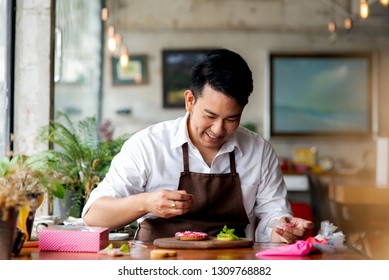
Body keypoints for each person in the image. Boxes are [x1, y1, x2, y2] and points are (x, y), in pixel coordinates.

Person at [82, 48, 313, 243]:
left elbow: (273, 217)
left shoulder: (259, 151)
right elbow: (94, 215)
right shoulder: (148, 145)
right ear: (190, 100)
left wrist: (282, 230)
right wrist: (145, 202)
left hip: (233, 266)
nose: (218, 130)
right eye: (210, 115)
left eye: (232, 119)